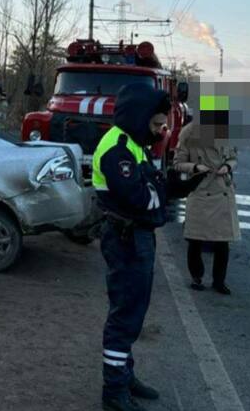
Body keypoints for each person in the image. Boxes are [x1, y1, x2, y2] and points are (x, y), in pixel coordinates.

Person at [92, 83, 170, 411]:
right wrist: (159, 193)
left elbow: (156, 189)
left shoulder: (134, 144)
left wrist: (169, 186)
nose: (160, 132)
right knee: (125, 316)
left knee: (132, 313)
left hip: (135, 237)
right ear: (139, 118)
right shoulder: (118, 148)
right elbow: (142, 199)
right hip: (124, 238)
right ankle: (113, 392)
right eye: (156, 125)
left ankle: (124, 375)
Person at [172, 117, 240, 295]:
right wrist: (195, 167)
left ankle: (219, 281)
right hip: (200, 190)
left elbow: (233, 157)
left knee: (222, 241)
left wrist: (227, 166)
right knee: (195, 238)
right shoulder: (188, 132)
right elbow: (177, 163)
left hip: (222, 191)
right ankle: (197, 277)